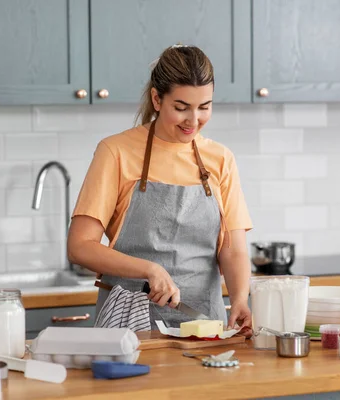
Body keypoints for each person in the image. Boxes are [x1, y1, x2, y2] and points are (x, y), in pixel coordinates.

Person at [67, 44, 253, 335]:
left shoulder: (221, 159)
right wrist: (150, 269)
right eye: (181, 108)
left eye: (204, 107)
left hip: (204, 326)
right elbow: (80, 246)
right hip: (128, 329)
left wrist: (241, 298)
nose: (194, 121)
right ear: (156, 98)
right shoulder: (116, 152)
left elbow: (233, 249)